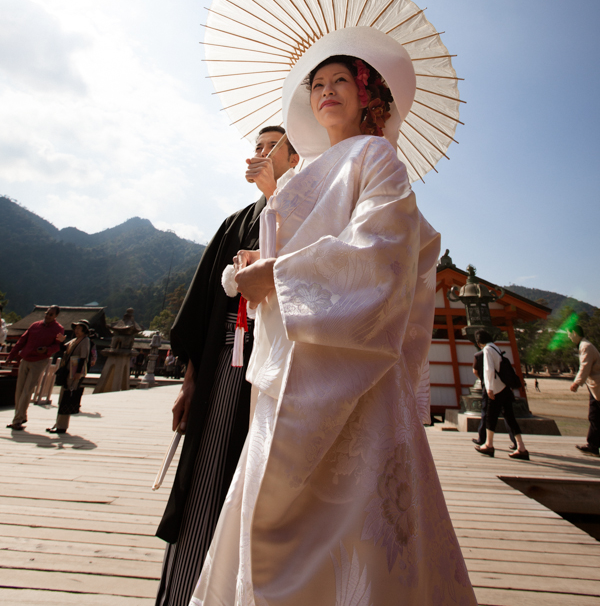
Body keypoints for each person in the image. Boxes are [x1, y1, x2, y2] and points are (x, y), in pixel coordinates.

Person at [190, 30, 476, 605]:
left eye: (340, 80)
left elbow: (380, 252)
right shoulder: (303, 174)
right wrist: (260, 261)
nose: (325, 91)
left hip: (355, 373)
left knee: (353, 524)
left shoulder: (377, 157)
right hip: (295, 358)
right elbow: (289, 253)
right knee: (269, 511)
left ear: (368, 93)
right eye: (316, 83)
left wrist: (278, 275)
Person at [155, 126, 299, 606]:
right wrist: (190, 384)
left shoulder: (309, 212)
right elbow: (201, 310)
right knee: (208, 474)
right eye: (256, 147)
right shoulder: (236, 221)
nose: (259, 154)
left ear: (297, 155)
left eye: (272, 146)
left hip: (284, 371)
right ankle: (184, 592)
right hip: (227, 369)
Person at [6, 306, 65, 431]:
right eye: (47, 313)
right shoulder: (35, 325)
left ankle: (17, 420)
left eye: (51, 314)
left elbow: (57, 346)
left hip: (39, 361)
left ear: (56, 316)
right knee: (19, 390)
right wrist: (12, 354)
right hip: (25, 358)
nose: (48, 316)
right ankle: (21, 416)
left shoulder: (58, 329)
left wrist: (47, 350)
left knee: (27, 390)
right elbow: (22, 340)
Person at [474, 329, 529, 460]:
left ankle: (488, 444)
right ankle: (521, 447)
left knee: (490, 417)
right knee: (510, 417)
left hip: (496, 388)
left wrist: (489, 389)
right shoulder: (496, 348)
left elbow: (488, 370)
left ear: (479, 342)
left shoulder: (487, 349)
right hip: (505, 388)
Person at [47, 320, 92, 434]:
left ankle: (62, 425)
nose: (76, 331)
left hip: (74, 370)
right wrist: (61, 342)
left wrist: (78, 372)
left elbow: (83, 357)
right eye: (75, 328)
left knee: (67, 396)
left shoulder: (85, 341)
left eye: (79, 328)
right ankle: (58, 423)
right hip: (68, 369)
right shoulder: (75, 340)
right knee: (63, 396)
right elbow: (64, 349)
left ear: (84, 330)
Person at [471, 341, 517, 451]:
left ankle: (484, 440)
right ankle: (516, 442)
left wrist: (484, 382)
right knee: (508, 415)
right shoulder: (498, 352)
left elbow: (476, 371)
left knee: (487, 414)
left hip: (489, 388)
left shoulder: (478, 355)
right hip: (503, 387)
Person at [569, 323, 600, 456]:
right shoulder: (585, 345)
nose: (569, 337)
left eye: (569, 334)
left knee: (595, 416)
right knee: (595, 416)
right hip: (594, 386)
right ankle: (593, 444)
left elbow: (585, 367)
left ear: (575, 333)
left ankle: (593, 445)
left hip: (597, 385)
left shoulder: (585, 346)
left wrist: (576, 383)